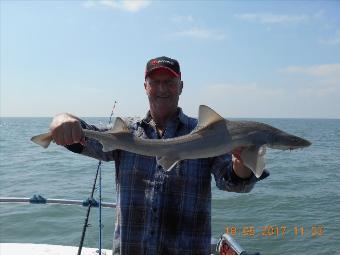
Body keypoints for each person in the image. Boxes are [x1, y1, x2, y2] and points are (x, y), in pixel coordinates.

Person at [50, 56, 266, 255]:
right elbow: (83, 137)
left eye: (170, 82)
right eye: (155, 82)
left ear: (181, 87)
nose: (162, 88)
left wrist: (242, 163)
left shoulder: (206, 135)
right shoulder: (125, 134)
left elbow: (234, 184)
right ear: (145, 87)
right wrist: (63, 119)